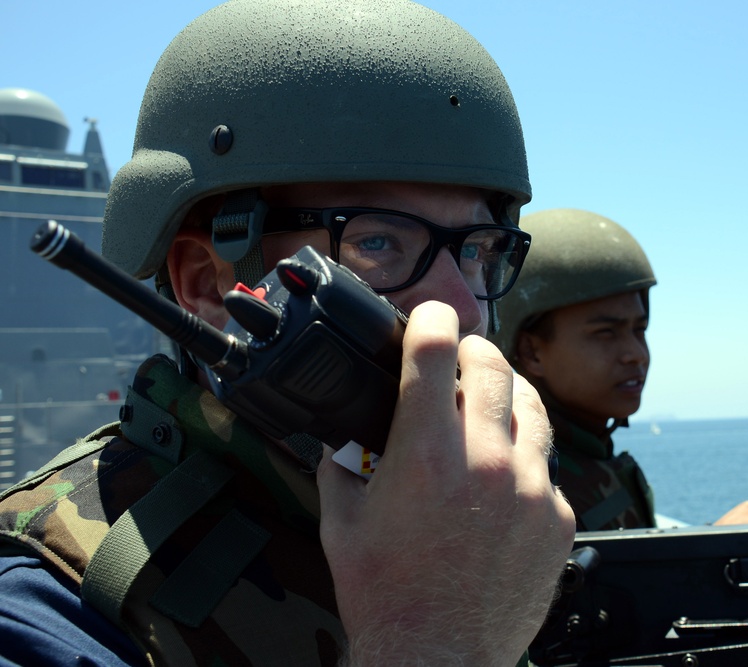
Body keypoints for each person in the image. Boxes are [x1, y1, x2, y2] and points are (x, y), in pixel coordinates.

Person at [0, 1, 575, 665]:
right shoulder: (49, 607)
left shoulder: (498, 526)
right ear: (207, 286)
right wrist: (432, 643)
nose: (460, 307)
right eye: (378, 239)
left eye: (476, 249)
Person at [492, 208, 748, 531]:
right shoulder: (521, 488)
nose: (636, 355)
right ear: (532, 351)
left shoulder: (586, 455)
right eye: (605, 333)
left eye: (639, 330)